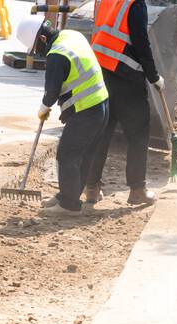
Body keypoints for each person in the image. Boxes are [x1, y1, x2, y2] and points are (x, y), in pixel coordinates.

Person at [16, 16, 110, 218]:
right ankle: (68, 196)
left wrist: (44, 107)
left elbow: (51, 91)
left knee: (67, 154)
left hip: (86, 109)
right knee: (83, 154)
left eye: (36, 49)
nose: (39, 54)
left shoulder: (56, 55)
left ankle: (69, 205)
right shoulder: (71, 35)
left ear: (42, 38)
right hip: (102, 103)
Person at [85, 0, 162, 206]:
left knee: (101, 133)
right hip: (127, 76)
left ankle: (91, 188)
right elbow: (140, 41)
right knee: (138, 135)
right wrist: (153, 76)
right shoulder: (134, 3)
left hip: (100, 74)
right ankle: (137, 190)